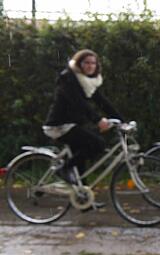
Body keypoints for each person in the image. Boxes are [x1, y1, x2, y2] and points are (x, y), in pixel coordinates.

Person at [43, 49, 122, 207]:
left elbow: (102, 102)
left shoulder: (88, 82)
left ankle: (84, 200)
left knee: (82, 158)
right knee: (97, 144)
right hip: (59, 125)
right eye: (86, 62)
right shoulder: (68, 78)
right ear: (79, 64)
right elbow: (79, 103)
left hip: (73, 124)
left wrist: (122, 121)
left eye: (93, 63)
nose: (90, 66)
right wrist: (98, 120)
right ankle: (64, 169)